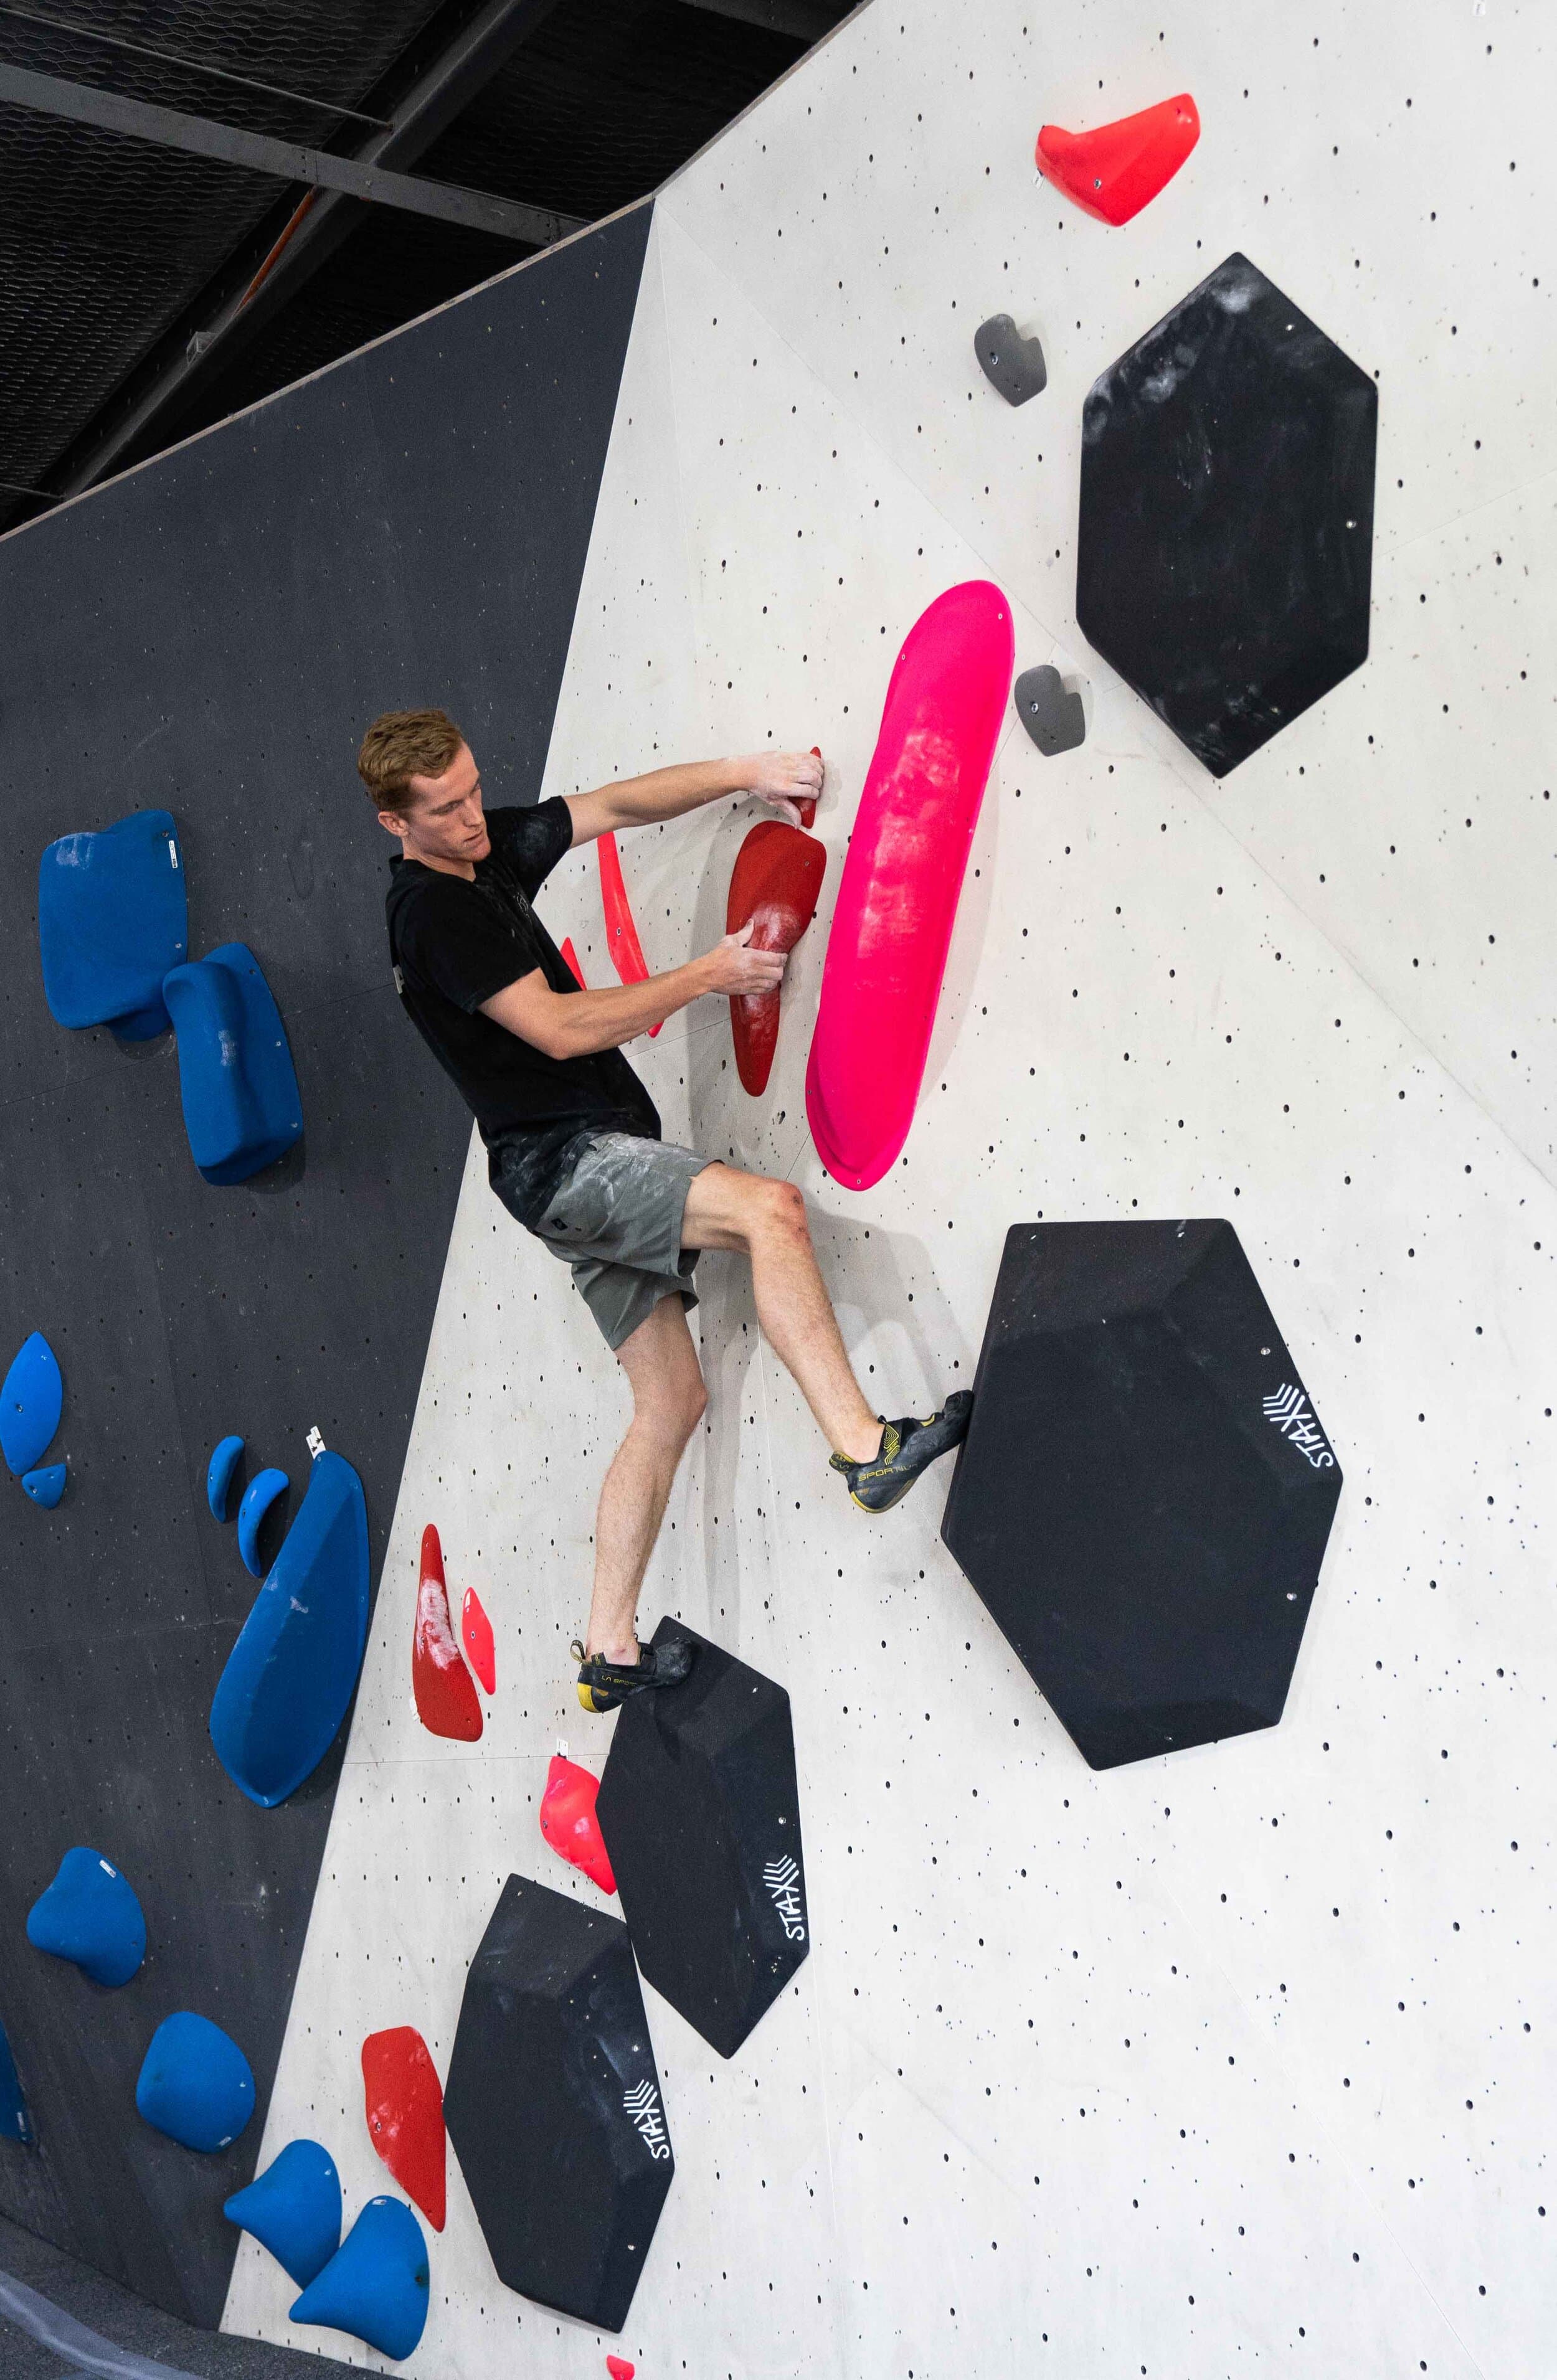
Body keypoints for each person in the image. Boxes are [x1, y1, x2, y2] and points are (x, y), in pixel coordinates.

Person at [359, 707, 970, 1713]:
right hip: (571, 1162)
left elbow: (612, 803)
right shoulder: (436, 919)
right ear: (396, 824)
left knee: (672, 1400)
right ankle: (866, 1451)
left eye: (473, 789)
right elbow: (556, 1030)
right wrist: (711, 974)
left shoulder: (480, 855)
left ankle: (608, 1648)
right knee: (769, 1213)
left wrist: (748, 769)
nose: (474, 816)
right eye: (447, 808)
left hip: (562, 1172)